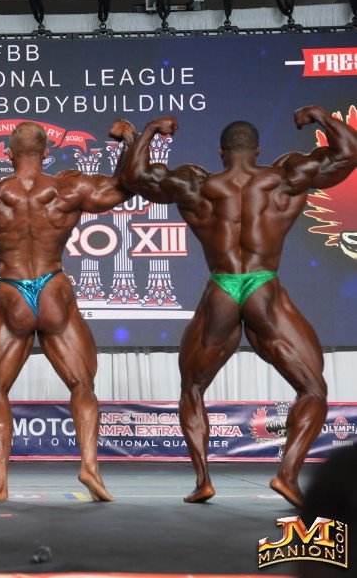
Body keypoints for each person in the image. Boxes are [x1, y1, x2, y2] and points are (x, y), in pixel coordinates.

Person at [115, 107, 357, 507]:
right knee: (312, 388)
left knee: (193, 388)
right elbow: (348, 153)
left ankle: (203, 482)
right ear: (257, 150)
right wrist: (319, 116)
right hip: (263, 285)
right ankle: (287, 475)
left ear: (221, 152)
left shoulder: (196, 184)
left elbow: (134, 177)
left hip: (222, 287)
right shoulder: (286, 178)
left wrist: (151, 130)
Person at [0, 121, 134, 501]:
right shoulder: (68, 187)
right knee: (83, 385)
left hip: (13, 291)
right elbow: (124, 186)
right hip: (52, 288)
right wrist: (130, 140)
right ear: (47, 152)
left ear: (7, 152)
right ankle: (90, 467)